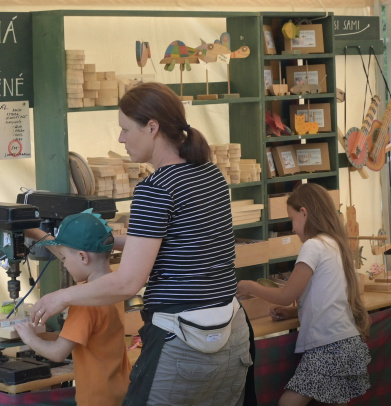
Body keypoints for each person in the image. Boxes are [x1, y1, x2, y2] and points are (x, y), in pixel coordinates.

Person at [28, 82, 255, 405]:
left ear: (152, 127)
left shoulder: (155, 188)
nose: (121, 139)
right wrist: (116, 241)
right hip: (233, 334)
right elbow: (182, 242)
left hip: (185, 342)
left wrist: (60, 297)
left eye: (125, 129)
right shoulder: (210, 174)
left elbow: (128, 283)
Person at [237, 183, 371, 406]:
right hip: (345, 341)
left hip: (328, 345)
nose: (293, 228)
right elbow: (326, 299)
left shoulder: (313, 246)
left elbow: (286, 295)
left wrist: (251, 287)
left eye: (292, 219)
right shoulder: (333, 244)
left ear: (304, 212)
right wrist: (292, 312)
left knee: (288, 403)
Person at [14, 209, 131, 406]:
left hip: (95, 400)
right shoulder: (112, 286)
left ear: (83, 257)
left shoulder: (83, 303)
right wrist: (35, 233)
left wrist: (30, 338)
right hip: (120, 392)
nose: (64, 264)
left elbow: (58, 353)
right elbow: (89, 338)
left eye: (65, 259)